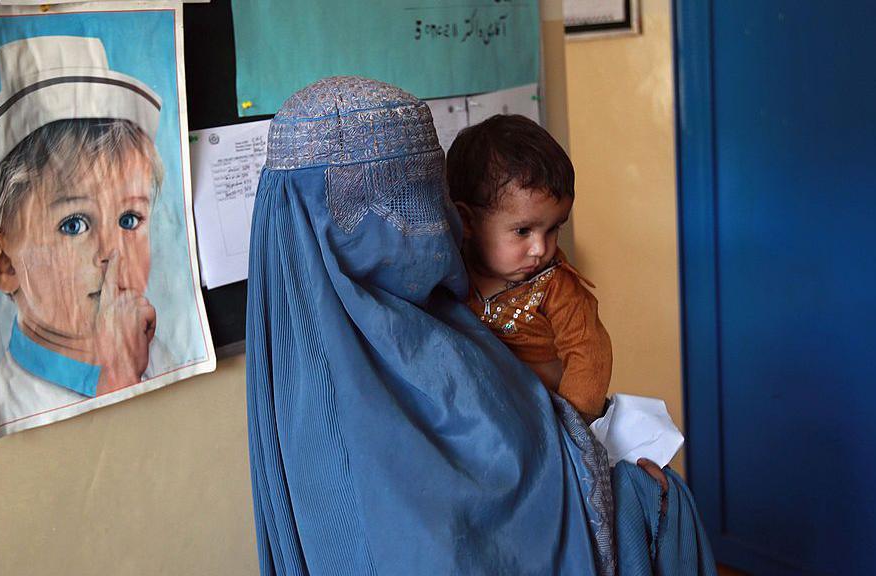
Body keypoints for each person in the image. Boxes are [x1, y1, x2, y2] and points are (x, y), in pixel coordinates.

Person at [246, 76, 716, 575]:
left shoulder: (292, 358)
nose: (428, 226)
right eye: (400, 205)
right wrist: (644, 496)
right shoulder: (391, 351)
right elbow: (490, 522)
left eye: (429, 199)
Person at [0, 36, 171, 435]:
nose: (112, 252)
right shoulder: (14, 401)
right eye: (74, 224)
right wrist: (119, 371)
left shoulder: (155, 349)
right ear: (5, 264)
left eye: (129, 220)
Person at [447, 114, 611, 423]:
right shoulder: (450, 272)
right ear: (467, 221)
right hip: (483, 421)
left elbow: (589, 355)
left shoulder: (555, 286)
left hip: (550, 422)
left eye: (553, 229)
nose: (541, 249)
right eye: (523, 231)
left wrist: (574, 430)